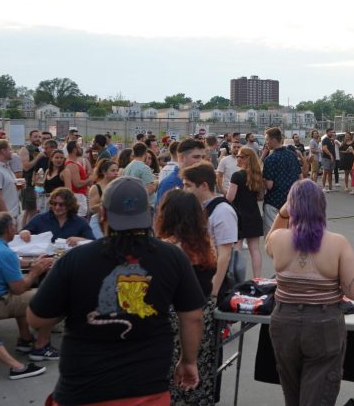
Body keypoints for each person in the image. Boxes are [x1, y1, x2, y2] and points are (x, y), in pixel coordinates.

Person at [28, 177, 206, 406]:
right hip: (147, 389)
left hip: (84, 390)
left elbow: (36, 318)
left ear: (102, 213)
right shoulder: (172, 256)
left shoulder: (75, 259)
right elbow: (193, 317)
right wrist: (188, 361)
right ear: (149, 215)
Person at [264, 179, 354, 406]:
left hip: (284, 321)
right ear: (322, 206)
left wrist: (282, 212)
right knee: (319, 395)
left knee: (292, 393)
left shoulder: (279, 239)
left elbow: (268, 243)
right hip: (323, 323)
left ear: (292, 207)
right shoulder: (337, 243)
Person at [155, 189, 219, 406]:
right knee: (199, 378)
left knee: (174, 377)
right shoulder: (204, 243)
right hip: (204, 315)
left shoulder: (168, 248)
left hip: (177, 317)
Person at [0, 212, 59, 362]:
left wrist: (30, 264)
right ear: (9, 229)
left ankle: (25, 339)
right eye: (14, 225)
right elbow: (18, 289)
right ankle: (42, 346)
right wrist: (35, 272)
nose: (16, 228)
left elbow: (2, 263)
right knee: (54, 297)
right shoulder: (5, 252)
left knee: (24, 293)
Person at [182, 163, 237, 298]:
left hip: (211, 282)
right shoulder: (198, 207)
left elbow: (224, 255)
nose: (184, 189)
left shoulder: (223, 211)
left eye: (188, 185)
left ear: (204, 186)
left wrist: (213, 292)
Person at [226, 147, 265, 279]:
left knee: (236, 249)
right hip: (254, 214)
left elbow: (230, 197)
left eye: (239, 156)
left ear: (245, 159)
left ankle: (235, 279)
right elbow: (260, 196)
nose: (237, 158)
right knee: (255, 250)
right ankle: (257, 279)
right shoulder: (257, 176)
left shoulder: (237, 176)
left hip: (238, 216)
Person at [20, 187, 95, 244]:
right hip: (44, 260)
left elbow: (92, 242)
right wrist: (25, 232)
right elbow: (24, 231)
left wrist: (79, 240)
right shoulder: (40, 218)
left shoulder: (80, 222)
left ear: (69, 205)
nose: (57, 207)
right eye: (54, 203)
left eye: (61, 204)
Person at [262, 127, 301, 234]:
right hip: (292, 201)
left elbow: (269, 185)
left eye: (267, 140)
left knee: (273, 236)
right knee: (291, 236)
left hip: (274, 201)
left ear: (274, 140)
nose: (266, 143)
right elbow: (300, 177)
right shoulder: (292, 155)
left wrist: (260, 179)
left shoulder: (270, 159)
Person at [155, 138, 206, 207]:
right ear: (181, 158)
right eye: (196, 157)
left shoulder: (198, 180)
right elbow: (164, 215)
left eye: (203, 157)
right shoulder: (171, 183)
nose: (201, 161)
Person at [87, 158, 119, 240]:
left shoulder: (118, 186)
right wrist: (105, 204)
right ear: (104, 172)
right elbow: (92, 208)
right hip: (98, 221)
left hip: (114, 221)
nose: (116, 173)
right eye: (113, 171)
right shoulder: (96, 187)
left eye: (117, 170)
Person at [122, 143, 158, 208]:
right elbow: (150, 189)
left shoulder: (128, 167)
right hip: (146, 206)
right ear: (145, 153)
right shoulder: (144, 168)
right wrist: (156, 183)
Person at [62, 141, 91, 216]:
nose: (80, 149)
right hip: (77, 196)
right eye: (79, 147)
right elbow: (77, 184)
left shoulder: (75, 162)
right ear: (74, 150)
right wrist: (90, 178)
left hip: (80, 196)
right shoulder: (72, 164)